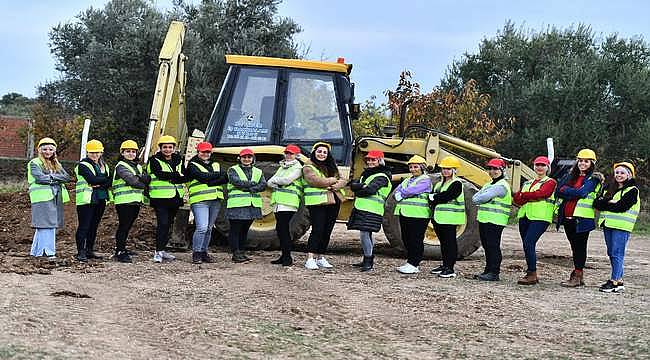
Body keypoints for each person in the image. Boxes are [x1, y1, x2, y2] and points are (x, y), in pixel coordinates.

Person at [555, 149, 602, 287]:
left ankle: (577, 275)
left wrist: (566, 191)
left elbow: (582, 193)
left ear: (592, 163)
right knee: (574, 247)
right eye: (580, 161)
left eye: (586, 161)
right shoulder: (571, 176)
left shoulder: (593, 178)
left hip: (582, 219)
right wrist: (568, 192)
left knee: (579, 247)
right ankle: (578, 275)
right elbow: (558, 190)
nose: (582, 163)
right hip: (568, 218)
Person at [593, 162, 640, 293]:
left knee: (617, 253)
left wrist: (606, 202)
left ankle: (614, 281)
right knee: (611, 253)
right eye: (617, 172)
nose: (619, 175)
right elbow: (596, 203)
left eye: (622, 173)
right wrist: (610, 202)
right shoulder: (610, 188)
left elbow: (621, 207)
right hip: (608, 224)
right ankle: (619, 281)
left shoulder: (632, 191)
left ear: (629, 175)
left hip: (621, 226)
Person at [513, 156, 557, 285]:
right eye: (537, 165)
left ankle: (532, 273)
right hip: (525, 216)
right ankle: (531, 273)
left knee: (528, 243)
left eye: (542, 165)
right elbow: (517, 199)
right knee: (527, 245)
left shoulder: (550, 182)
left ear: (547, 168)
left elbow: (542, 194)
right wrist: (528, 197)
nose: (539, 167)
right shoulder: (527, 183)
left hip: (540, 217)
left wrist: (525, 196)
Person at [302, 142, 347, 270]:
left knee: (327, 230)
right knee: (318, 229)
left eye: (325, 152)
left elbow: (344, 179)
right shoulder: (308, 166)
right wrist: (333, 180)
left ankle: (320, 257)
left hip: (334, 201)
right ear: (314, 152)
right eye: (319, 151)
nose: (322, 154)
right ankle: (310, 258)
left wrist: (335, 185)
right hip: (318, 202)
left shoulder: (332, 166)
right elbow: (315, 181)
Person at [347, 150, 392, 272]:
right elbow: (353, 185)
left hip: (372, 209)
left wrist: (359, 188)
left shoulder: (382, 176)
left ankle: (368, 261)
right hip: (363, 208)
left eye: (373, 160)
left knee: (365, 234)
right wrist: (361, 186)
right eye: (369, 160)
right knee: (367, 234)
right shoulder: (366, 174)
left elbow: (369, 190)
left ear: (380, 161)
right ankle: (367, 259)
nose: (370, 162)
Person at [27, 137, 71, 261]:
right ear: (40, 150)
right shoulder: (34, 162)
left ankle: (36, 252)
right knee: (47, 225)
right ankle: (48, 253)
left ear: (54, 150)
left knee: (45, 225)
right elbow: (40, 178)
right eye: (45, 149)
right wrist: (56, 177)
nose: (48, 152)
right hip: (41, 198)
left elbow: (67, 177)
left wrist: (50, 176)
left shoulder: (56, 163)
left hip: (54, 197)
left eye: (50, 149)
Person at [186, 141, 228, 264]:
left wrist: (211, 180)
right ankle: (196, 253)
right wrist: (217, 176)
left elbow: (225, 177)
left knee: (209, 228)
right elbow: (201, 177)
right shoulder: (192, 165)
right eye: (203, 151)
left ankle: (204, 252)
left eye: (208, 152)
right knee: (202, 228)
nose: (206, 154)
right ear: (198, 152)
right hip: (200, 200)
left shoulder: (215, 164)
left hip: (215, 199)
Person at [147, 135, 186, 263]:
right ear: (160, 148)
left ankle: (162, 250)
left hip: (175, 198)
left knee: (168, 224)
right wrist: (175, 175)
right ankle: (158, 252)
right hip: (160, 198)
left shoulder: (178, 160)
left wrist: (175, 176)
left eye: (170, 147)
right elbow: (159, 174)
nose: (167, 150)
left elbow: (184, 176)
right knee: (162, 224)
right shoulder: (154, 160)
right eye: (165, 147)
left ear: (174, 148)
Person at [471, 158, 511, 281]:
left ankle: (494, 272)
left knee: (493, 246)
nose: (492, 171)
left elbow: (480, 198)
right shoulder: (489, 184)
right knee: (487, 246)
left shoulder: (501, 186)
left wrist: (483, 196)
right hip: (485, 219)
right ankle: (488, 270)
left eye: (495, 169)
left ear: (502, 170)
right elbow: (475, 197)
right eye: (490, 168)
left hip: (496, 220)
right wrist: (482, 196)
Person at [112, 140, 150, 263]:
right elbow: (133, 181)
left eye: (133, 152)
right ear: (122, 153)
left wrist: (142, 179)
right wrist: (143, 182)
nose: (131, 154)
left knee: (127, 226)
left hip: (135, 201)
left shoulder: (137, 166)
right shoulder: (121, 166)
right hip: (124, 201)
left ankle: (122, 247)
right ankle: (120, 251)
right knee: (123, 226)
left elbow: (147, 178)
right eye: (128, 151)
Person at [393, 155, 432, 274]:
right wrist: (401, 193)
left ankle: (414, 264)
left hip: (418, 215)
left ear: (422, 168)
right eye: (411, 167)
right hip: (405, 213)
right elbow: (396, 191)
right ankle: (409, 262)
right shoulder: (407, 180)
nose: (413, 169)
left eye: (416, 167)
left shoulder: (425, 179)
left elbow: (412, 190)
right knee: (406, 238)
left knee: (416, 239)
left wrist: (402, 193)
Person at [226, 148, 267, 263]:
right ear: (240, 158)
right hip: (237, 205)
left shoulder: (258, 171)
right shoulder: (233, 170)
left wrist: (250, 188)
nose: (246, 159)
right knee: (235, 229)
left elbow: (263, 184)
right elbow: (236, 182)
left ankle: (242, 252)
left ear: (252, 159)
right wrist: (253, 184)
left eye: (249, 157)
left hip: (252, 205)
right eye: (244, 157)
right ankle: (235, 253)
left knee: (244, 230)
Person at [429, 156, 466, 278]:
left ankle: (450, 268)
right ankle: (445, 265)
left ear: (454, 170)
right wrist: (435, 198)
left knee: (450, 243)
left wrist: (435, 197)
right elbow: (434, 198)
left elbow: (447, 196)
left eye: (448, 169)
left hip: (451, 218)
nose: (445, 171)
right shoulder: (440, 184)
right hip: (439, 218)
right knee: (444, 243)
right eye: (444, 169)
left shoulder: (457, 183)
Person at [75, 139, 111, 262]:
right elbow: (92, 180)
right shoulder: (83, 165)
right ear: (87, 152)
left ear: (101, 152)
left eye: (97, 152)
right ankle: (81, 252)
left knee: (94, 226)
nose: (95, 155)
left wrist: (99, 182)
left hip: (100, 198)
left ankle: (89, 250)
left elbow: (109, 181)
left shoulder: (104, 166)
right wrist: (101, 180)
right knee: (84, 226)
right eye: (92, 152)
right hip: (86, 199)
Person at [267, 144, 303, 266]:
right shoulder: (282, 167)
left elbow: (286, 180)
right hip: (279, 202)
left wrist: (277, 181)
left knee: (283, 230)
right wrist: (278, 183)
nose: (288, 155)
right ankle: (284, 256)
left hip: (289, 203)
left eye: (291, 153)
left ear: (297, 156)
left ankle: (287, 257)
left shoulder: (298, 167)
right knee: (281, 229)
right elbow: (269, 182)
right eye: (287, 153)